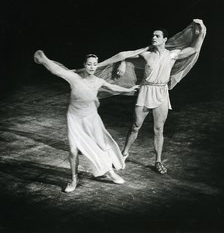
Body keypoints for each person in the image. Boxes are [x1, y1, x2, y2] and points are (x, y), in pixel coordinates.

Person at [34, 51, 140, 192]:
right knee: (73, 151)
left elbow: (113, 87)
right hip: (74, 118)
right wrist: (44, 59)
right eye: (89, 64)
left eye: (94, 64)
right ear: (84, 65)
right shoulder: (74, 78)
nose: (92, 67)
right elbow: (57, 70)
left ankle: (110, 172)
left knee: (102, 146)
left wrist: (129, 89)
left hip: (91, 118)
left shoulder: (98, 81)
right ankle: (73, 179)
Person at [118, 19, 207, 174]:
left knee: (159, 129)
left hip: (161, 92)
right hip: (146, 91)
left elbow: (194, 48)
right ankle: (124, 154)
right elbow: (126, 54)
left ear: (165, 39)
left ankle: (158, 161)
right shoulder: (147, 54)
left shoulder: (173, 55)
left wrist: (203, 29)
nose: (154, 37)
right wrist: (123, 63)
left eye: (157, 36)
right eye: (153, 35)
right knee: (135, 126)